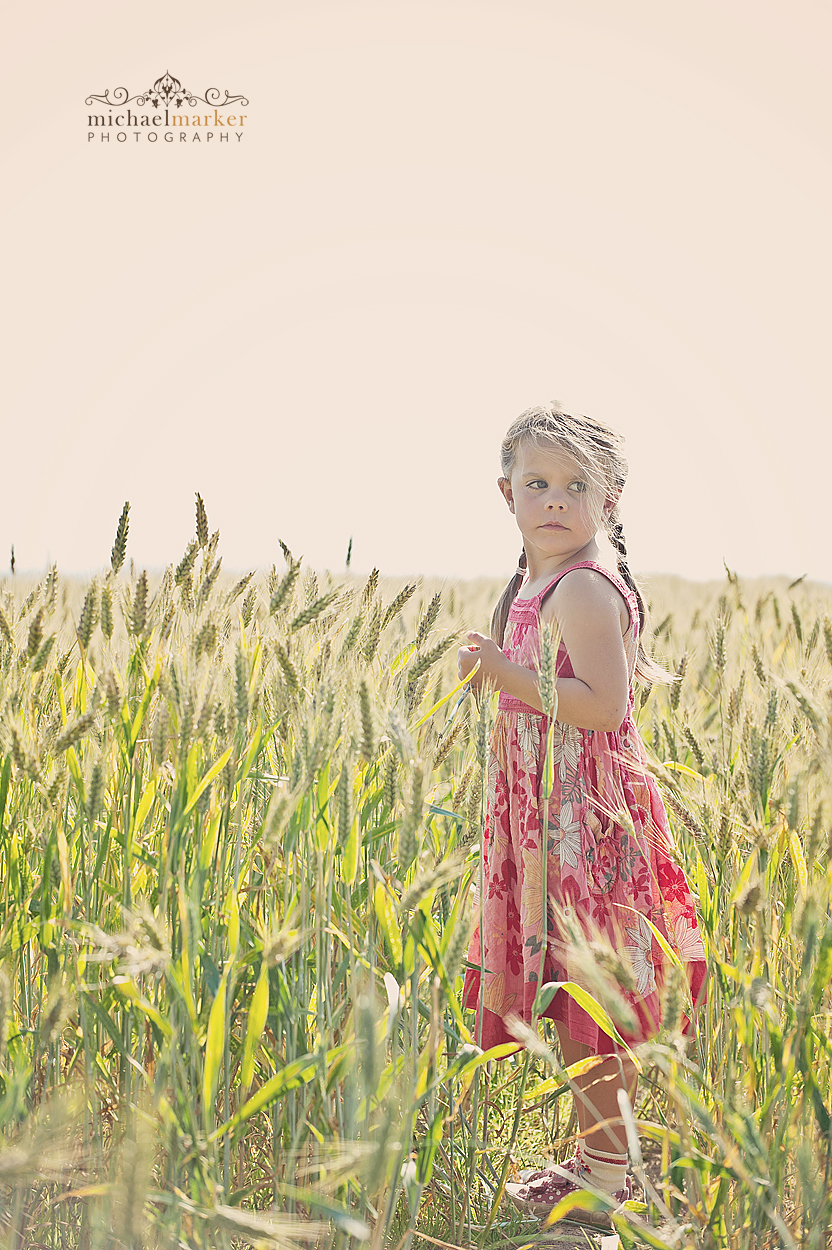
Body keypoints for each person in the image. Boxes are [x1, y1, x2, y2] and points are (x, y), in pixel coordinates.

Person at [458, 402, 706, 1222]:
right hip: (547, 817)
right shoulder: (538, 581)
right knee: (571, 993)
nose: (555, 499)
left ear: (613, 497)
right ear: (507, 494)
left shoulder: (586, 589)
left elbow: (602, 706)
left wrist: (504, 675)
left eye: (575, 485)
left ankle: (608, 1179)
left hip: (586, 820)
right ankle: (599, 1158)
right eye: (538, 483)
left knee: (591, 1001)